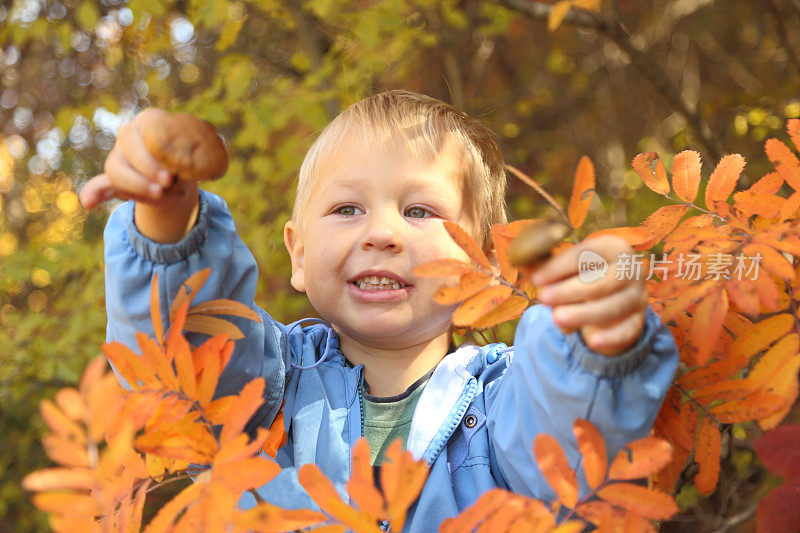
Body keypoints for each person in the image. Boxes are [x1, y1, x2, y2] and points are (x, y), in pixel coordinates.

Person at [80, 90, 678, 529]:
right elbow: (184, 349)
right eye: (346, 209)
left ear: (484, 261)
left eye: (419, 212)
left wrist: (593, 332)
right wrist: (166, 217)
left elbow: (567, 445)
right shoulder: (269, 387)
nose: (382, 233)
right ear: (298, 252)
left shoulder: (502, 403)